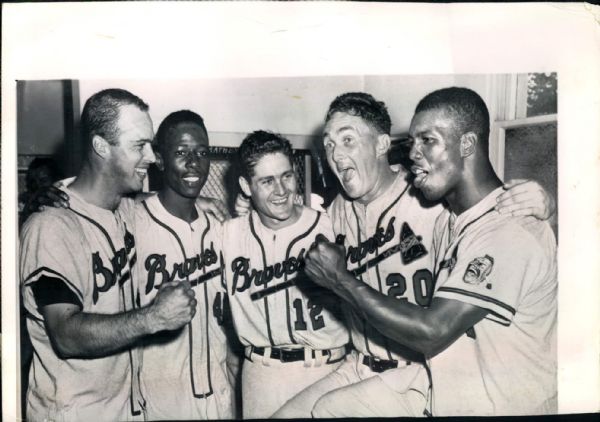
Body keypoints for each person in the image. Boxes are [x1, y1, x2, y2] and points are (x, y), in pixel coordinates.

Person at [264, 92, 555, 418]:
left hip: (421, 367)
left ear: (382, 145)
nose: (335, 152)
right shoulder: (340, 210)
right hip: (382, 367)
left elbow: (496, 213)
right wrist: (250, 210)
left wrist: (544, 201)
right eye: (329, 144)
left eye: (348, 139)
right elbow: (294, 231)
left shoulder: (431, 199)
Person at [20, 89, 197, 422]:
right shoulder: (50, 227)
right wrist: (153, 317)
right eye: (138, 146)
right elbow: (66, 334)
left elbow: (157, 204)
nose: (152, 157)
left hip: (124, 408)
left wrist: (208, 203)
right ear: (101, 146)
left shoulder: (124, 207)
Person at [222, 130, 350, 418]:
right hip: (261, 375)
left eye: (287, 176)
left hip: (326, 370)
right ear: (245, 185)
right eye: (267, 181)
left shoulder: (330, 227)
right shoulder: (226, 235)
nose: (281, 190)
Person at [130, 110, 236, 419]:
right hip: (160, 400)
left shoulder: (220, 226)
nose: (194, 163)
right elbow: (89, 195)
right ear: (160, 160)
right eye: (181, 153)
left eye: (201, 153)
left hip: (218, 395)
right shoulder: (132, 221)